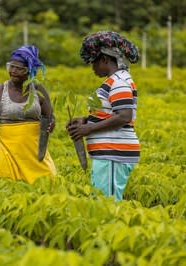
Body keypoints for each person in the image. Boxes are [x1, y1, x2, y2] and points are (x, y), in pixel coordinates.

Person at [67, 31, 140, 201]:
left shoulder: (119, 82)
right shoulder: (113, 81)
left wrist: (89, 128)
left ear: (105, 60)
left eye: (93, 62)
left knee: (107, 205)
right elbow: (111, 112)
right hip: (108, 154)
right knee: (102, 202)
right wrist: (85, 120)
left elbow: (124, 116)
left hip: (114, 153)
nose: (92, 67)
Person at [0, 45, 57, 184]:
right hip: (8, 154)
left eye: (19, 68)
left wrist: (50, 124)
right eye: (11, 66)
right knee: (11, 188)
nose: (13, 71)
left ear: (30, 70)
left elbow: (50, 118)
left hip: (35, 154)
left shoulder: (39, 90)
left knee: (49, 183)